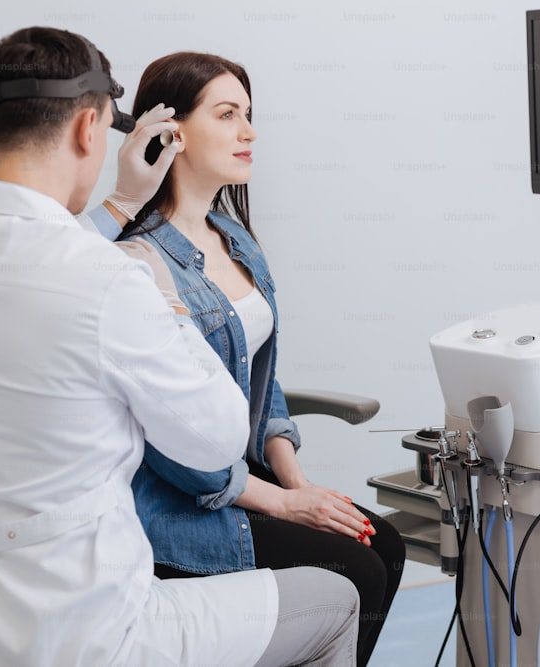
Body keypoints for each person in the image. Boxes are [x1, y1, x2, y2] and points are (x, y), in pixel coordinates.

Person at [0, 27, 359, 667]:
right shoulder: (113, 280)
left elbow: (33, 255)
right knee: (338, 599)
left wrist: (124, 204)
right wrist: (166, 296)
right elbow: (214, 436)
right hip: (88, 633)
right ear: (88, 130)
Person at [87, 51, 406, 666]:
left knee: (383, 542)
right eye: (228, 114)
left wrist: (299, 484)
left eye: (249, 114)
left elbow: (265, 376)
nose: (250, 132)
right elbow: (169, 446)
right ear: (169, 133)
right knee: (357, 567)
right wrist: (284, 504)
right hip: (184, 507)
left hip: (250, 481)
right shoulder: (138, 264)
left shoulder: (234, 240)